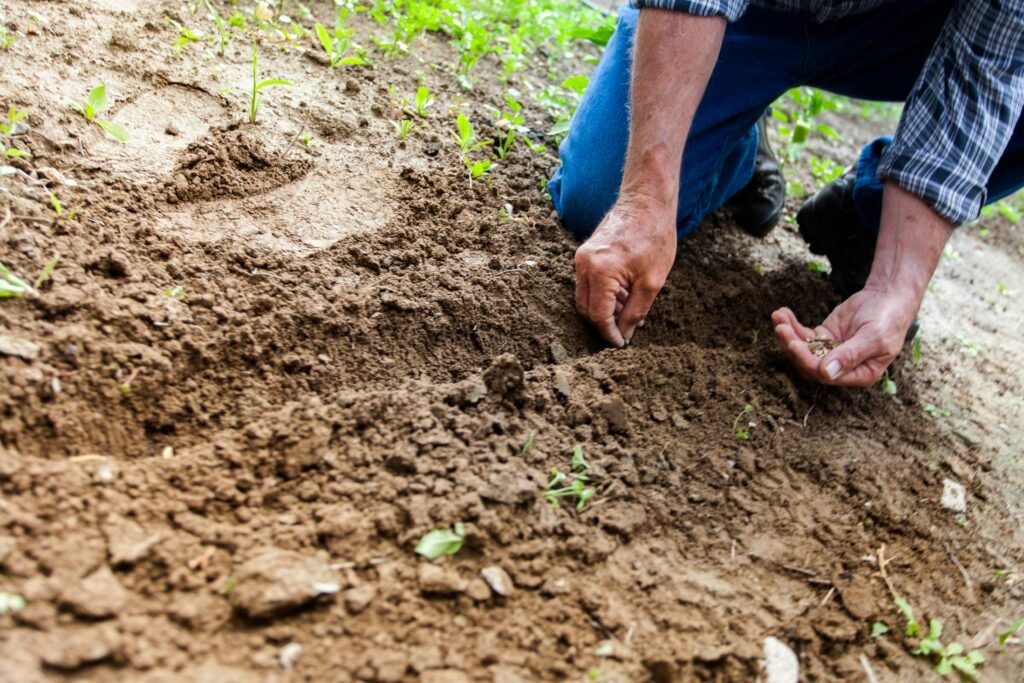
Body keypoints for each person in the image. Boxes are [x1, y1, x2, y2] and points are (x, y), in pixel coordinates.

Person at [547, 0, 1024, 387]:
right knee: (600, 200)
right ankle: (736, 140)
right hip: (750, 14)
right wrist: (645, 198)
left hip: (903, 27)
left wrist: (896, 284)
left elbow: (989, 66)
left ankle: (869, 218)